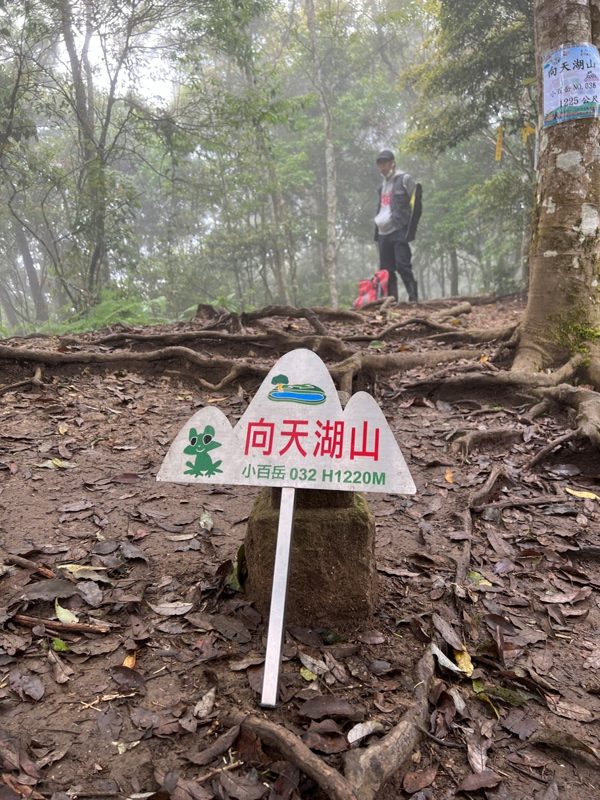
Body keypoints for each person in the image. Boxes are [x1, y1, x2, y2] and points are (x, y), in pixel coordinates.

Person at [373, 149, 419, 302]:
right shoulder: (382, 186)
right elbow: (382, 208)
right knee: (386, 270)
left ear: (393, 163)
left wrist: (410, 228)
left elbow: (416, 203)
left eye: (385, 163)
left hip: (398, 229)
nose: (383, 167)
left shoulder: (404, 179)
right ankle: (391, 301)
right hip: (382, 232)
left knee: (402, 264)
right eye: (380, 164)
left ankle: (413, 298)